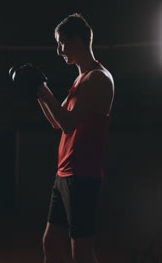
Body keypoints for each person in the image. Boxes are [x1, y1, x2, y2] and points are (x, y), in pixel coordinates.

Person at [37, 13, 114, 263]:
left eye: (63, 43)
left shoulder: (98, 78)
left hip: (83, 174)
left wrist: (44, 92)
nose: (59, 50)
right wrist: (39, 93)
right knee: (50, 241)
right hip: (65, 173)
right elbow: (55, 122)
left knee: (81, 250)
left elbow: (68, 124)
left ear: (80, 41)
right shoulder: (80, 78)